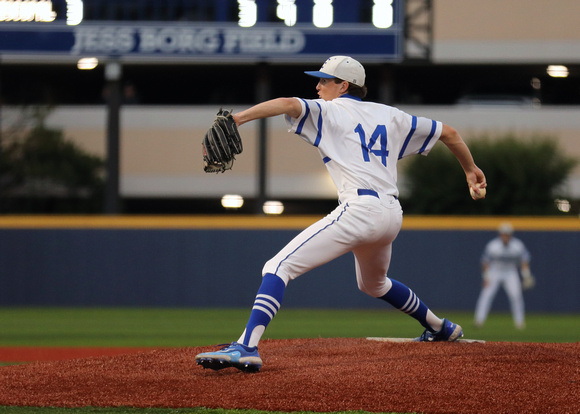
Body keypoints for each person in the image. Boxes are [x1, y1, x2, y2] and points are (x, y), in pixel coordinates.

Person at [196, 56, 487, 372]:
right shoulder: (392, 116)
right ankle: (440, 327)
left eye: (324, 80)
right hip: (391, 214)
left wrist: (237, 119)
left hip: (360, 211)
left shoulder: (329, 110)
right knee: (374, 285)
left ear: (344, 85)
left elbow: (286, 103)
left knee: (278, 265)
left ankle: (246, 347)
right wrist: (470, 170)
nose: (318, 86)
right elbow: (450, 133)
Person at [474, 222, 534, 330]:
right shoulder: (493, 245)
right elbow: (485, 262)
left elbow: (524, 260)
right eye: (503, 234)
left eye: (507, 234)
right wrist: (486, 277)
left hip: (511, 272)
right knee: (486, 295)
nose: (505, 236)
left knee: (516, 296)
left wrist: (526, 275)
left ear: (511, 235)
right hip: (495, 271)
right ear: (500, 234)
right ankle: (479, 320)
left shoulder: (517, 245)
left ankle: (519, 323)